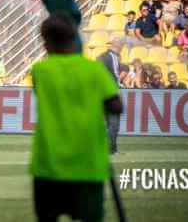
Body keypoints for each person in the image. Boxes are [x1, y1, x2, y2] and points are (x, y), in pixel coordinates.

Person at [31, 13, 122, 222]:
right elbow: (116, 106)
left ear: (47, 42)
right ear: (75, 38)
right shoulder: (94, 70)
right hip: (88, 165)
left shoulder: (40, 71)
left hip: (48, 166)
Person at [97, 38, 123, 155]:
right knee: (114, 124)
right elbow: (115, 74)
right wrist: (117, 89)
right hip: (110, 93)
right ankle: (111, 150)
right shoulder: (113, 57)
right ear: (118, 45)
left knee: (106, 123)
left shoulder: (100, 57)